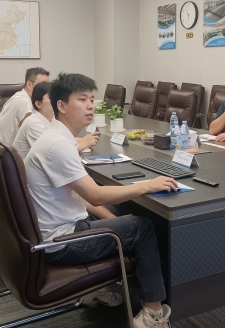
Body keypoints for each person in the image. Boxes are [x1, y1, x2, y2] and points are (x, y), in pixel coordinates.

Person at [25, 73, 176, 327]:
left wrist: (116, 218)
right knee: (142, 227)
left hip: (57, 227)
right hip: (61, 241)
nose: (90, 106)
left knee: (123, 212)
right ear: (61, 105)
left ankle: (99, 287)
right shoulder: (58, 145)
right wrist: (147, 185)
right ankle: (153, 315)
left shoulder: (57, 137)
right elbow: (94, 195)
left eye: (91, 99)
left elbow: (82, 199)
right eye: (81, 99)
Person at [13, 81, 100, 160]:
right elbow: (57, 152)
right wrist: (84, 144)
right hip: (23, 172)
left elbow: (63, 140)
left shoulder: (50, 119)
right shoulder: (33, 123)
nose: (56, 102)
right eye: (52, 98)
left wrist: (82, 140)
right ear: (38, 104)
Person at [0, 67, 49, 145]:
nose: (46, 89)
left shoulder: (25, 98)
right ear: (29, 84)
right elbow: (32, 131)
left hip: (1, 147)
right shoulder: (22, 101)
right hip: (4, 150)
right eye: (43, 85)